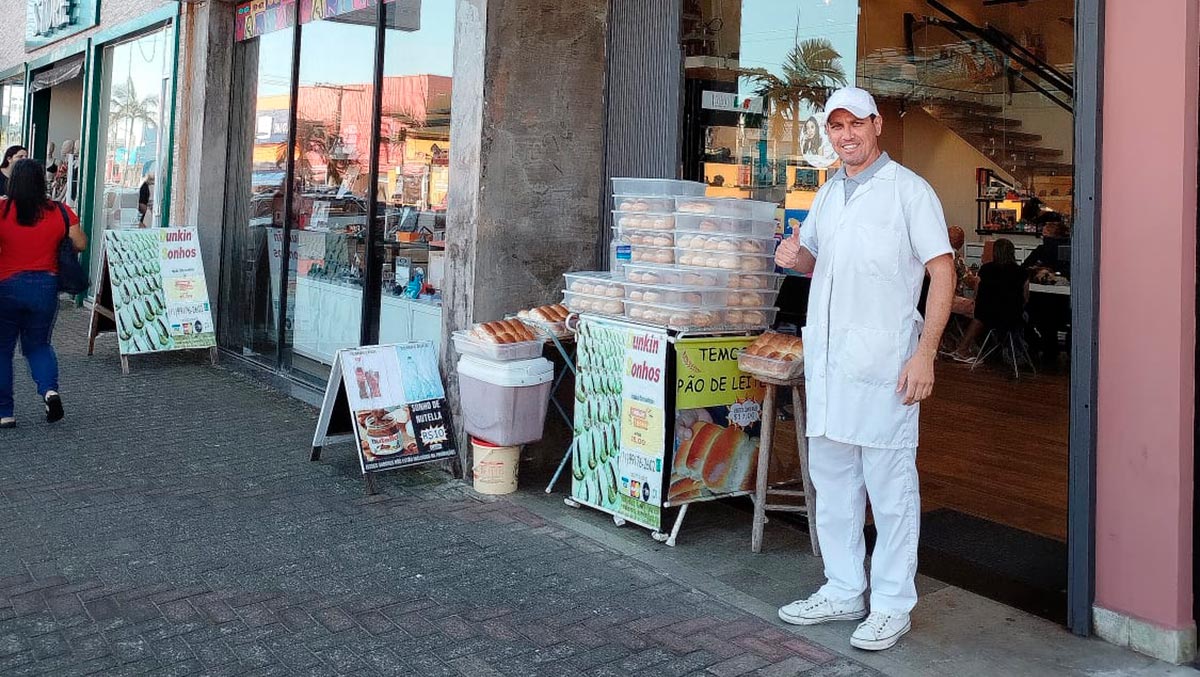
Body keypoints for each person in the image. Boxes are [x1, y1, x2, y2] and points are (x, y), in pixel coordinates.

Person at [773, 87, 955, 651]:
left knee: (891, 488)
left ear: (877, 124)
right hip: (830, 369)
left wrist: (926, 351)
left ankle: (893, 603)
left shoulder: (909, 192)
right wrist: (794, 257)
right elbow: (818, 260)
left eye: (855, 124)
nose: (845, 135)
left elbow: (942, 272)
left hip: (886, 368)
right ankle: (843, 588)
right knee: (833, 484)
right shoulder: (828, 194)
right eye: (836, 127)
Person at [0, 159, 87, 428]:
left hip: (7, 287)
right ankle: (50, 391)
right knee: (38, 345)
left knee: (2, 350)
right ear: (42, 182)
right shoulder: (60, 211)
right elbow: (81, 243)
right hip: (45, 288)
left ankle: (5, 413)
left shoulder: (2, 210)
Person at [947, 238, 1029, 362]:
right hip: (1012, 316)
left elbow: (977, 292)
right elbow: (1025, 298)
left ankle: (965, 348)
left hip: (987, 316)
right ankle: (1017, 351)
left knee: (978, 315)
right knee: (1026, 317)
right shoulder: (1022, 272)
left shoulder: (985, 269)